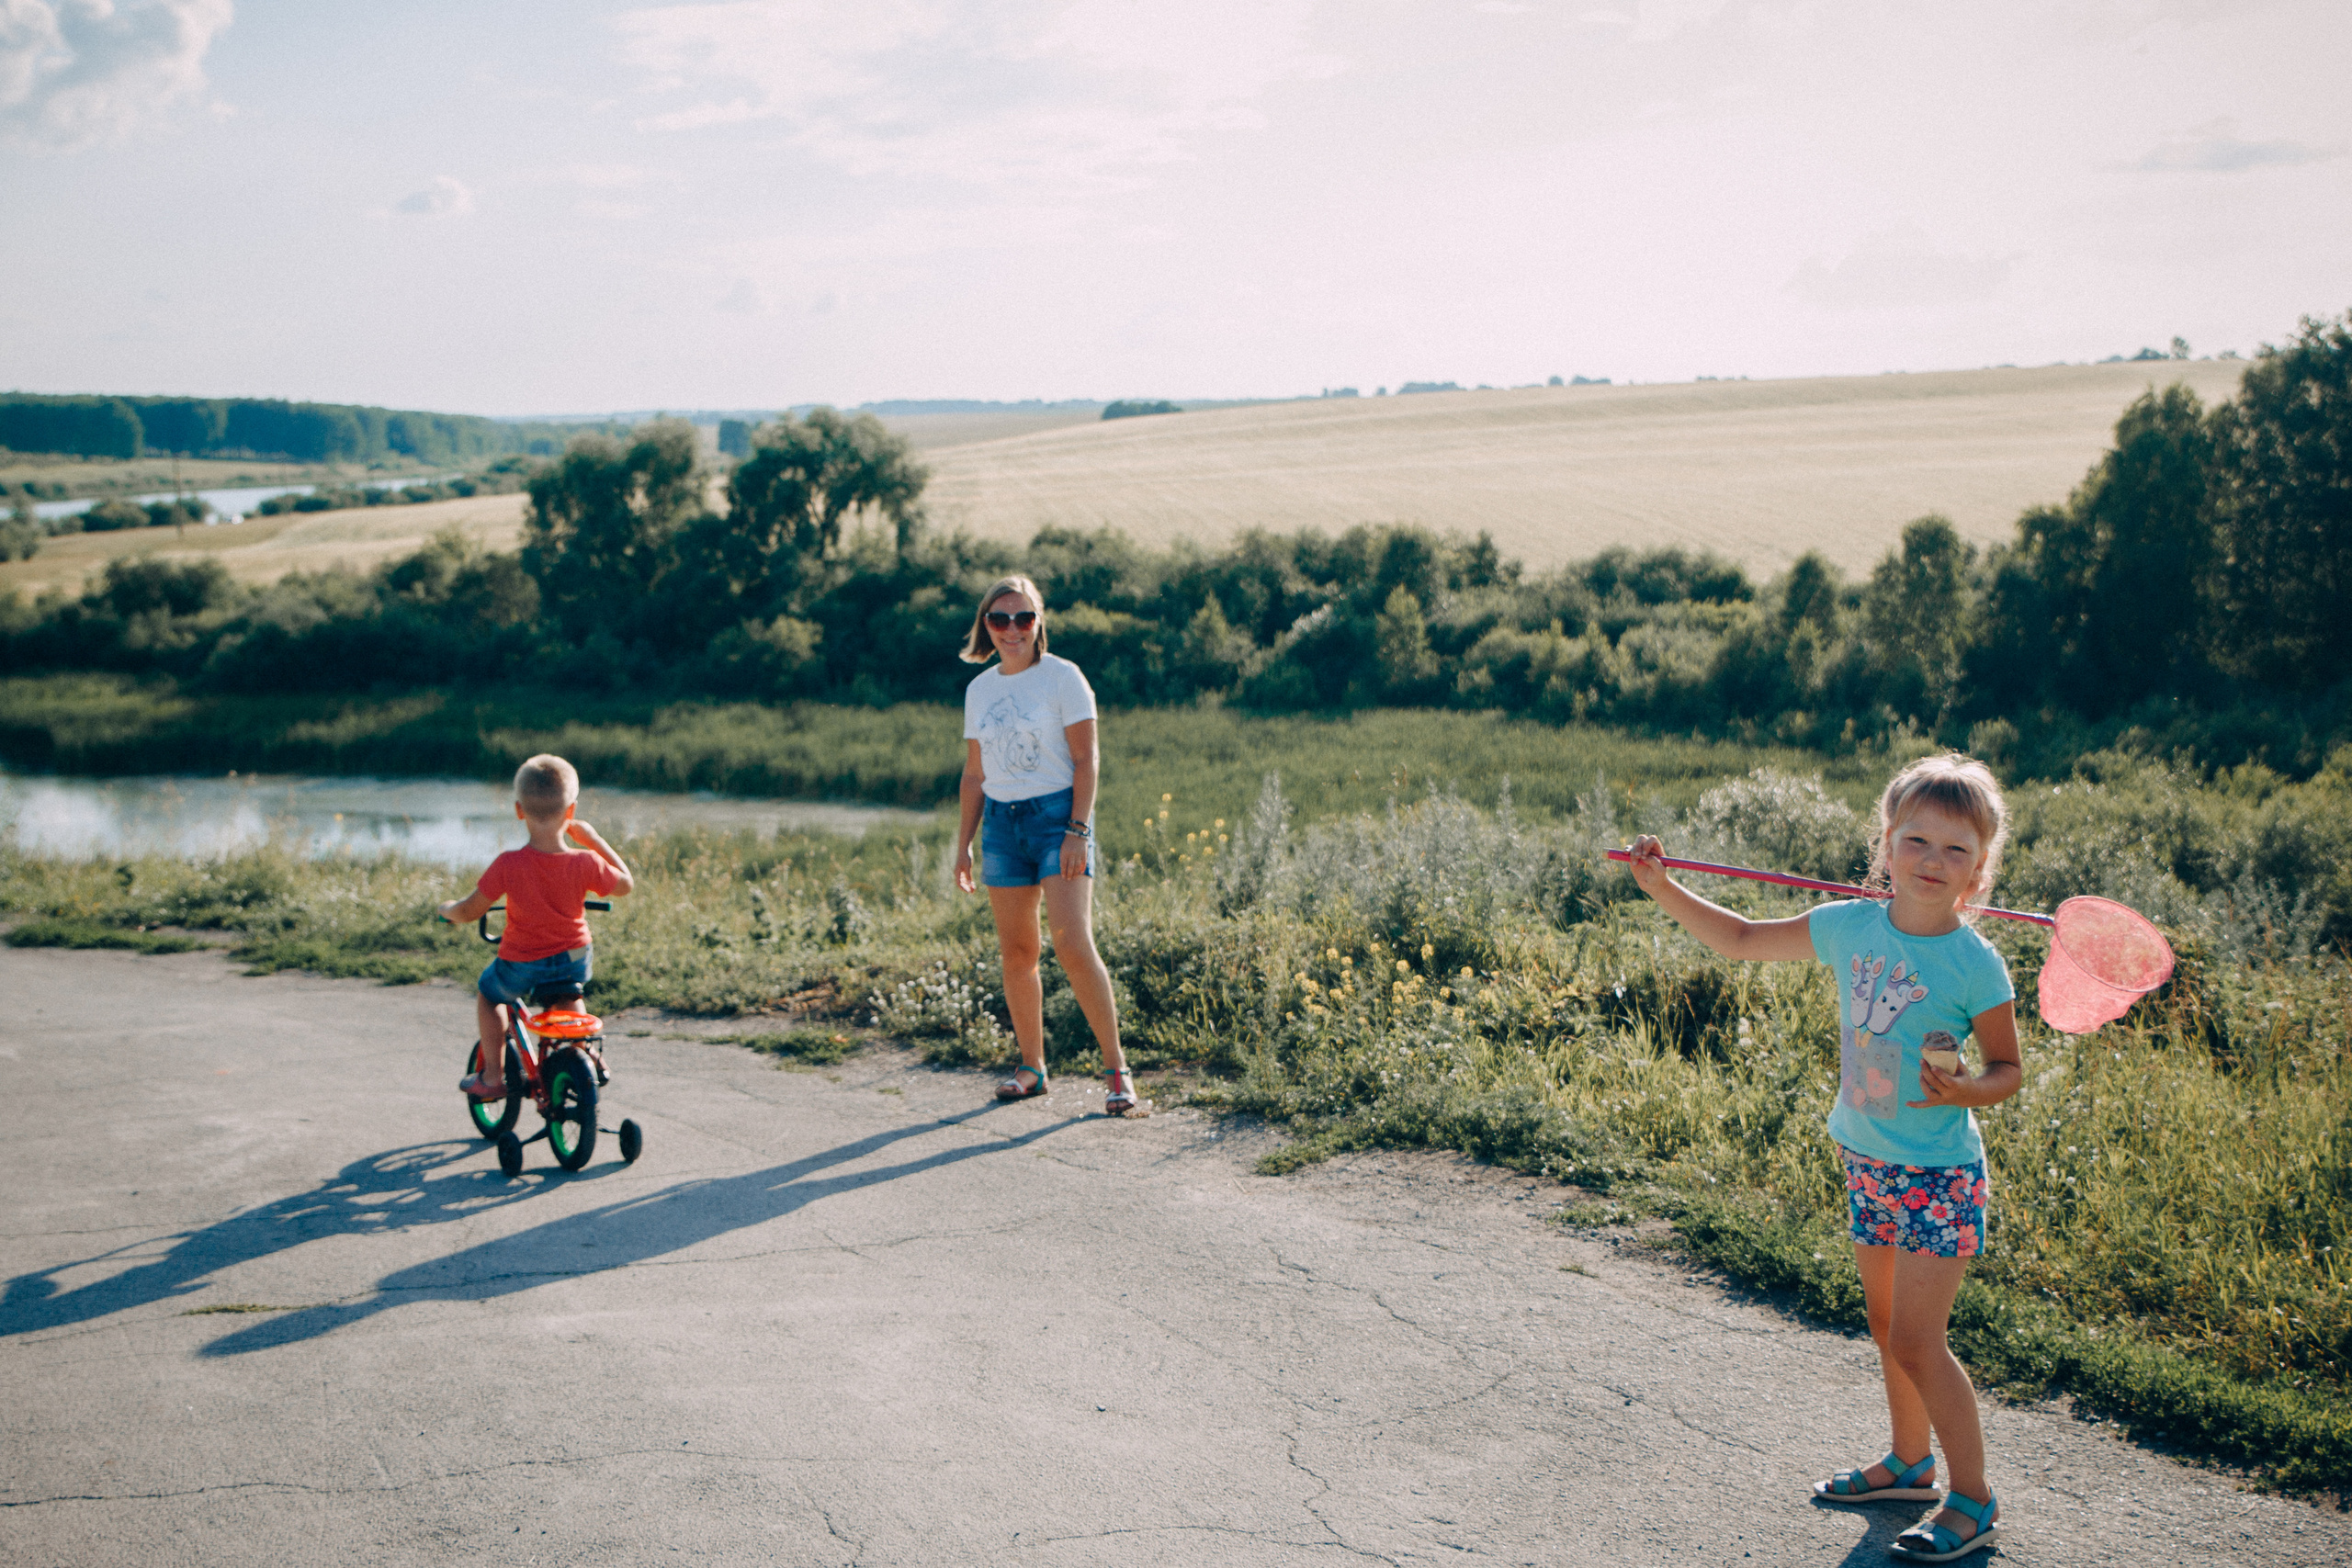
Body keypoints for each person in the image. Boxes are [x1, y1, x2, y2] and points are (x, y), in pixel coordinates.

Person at [1625, 753, 2018, 1562]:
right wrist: (1662, 888)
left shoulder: (1975, 962)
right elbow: (1737, 937)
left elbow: (2008, 1070)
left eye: (1955, 849)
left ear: (1980, 868)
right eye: (1916, 840)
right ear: (1886, 843)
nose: (1932, 861)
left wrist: (1966, 1090)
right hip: (1867, 1158)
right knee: (1885, 1327)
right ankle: (1910, 1463)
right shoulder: (1847, 927)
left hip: (1938, 1177)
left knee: (1919, 1339)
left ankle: (1972, 1497)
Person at [951, 574, 1140, 1114]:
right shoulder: (980, 689)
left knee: (1072, 941)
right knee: (1018, 952)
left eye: (1024, 618)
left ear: (1039, 623)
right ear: (986, 625)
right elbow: (973, 774)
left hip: (1058, 818)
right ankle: (1032, 1067)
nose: (1012, 629)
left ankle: (1117, 1072)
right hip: (1002, 826)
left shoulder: (1064, 678)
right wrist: (964, 844)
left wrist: (1078, 830)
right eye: (1000, 619)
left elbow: (1087, 760)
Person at [439, 754, 634, 1100]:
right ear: (571, 812)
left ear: (519, 810)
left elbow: (470, 910)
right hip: (574, 957)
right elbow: (626, 884)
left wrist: (448, 910)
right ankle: (586, 1054)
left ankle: (494, 1076)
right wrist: (592, 839)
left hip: (522, 963)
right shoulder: (586, 861)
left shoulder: (508, 865)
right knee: (568, 993)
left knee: (489, 996)